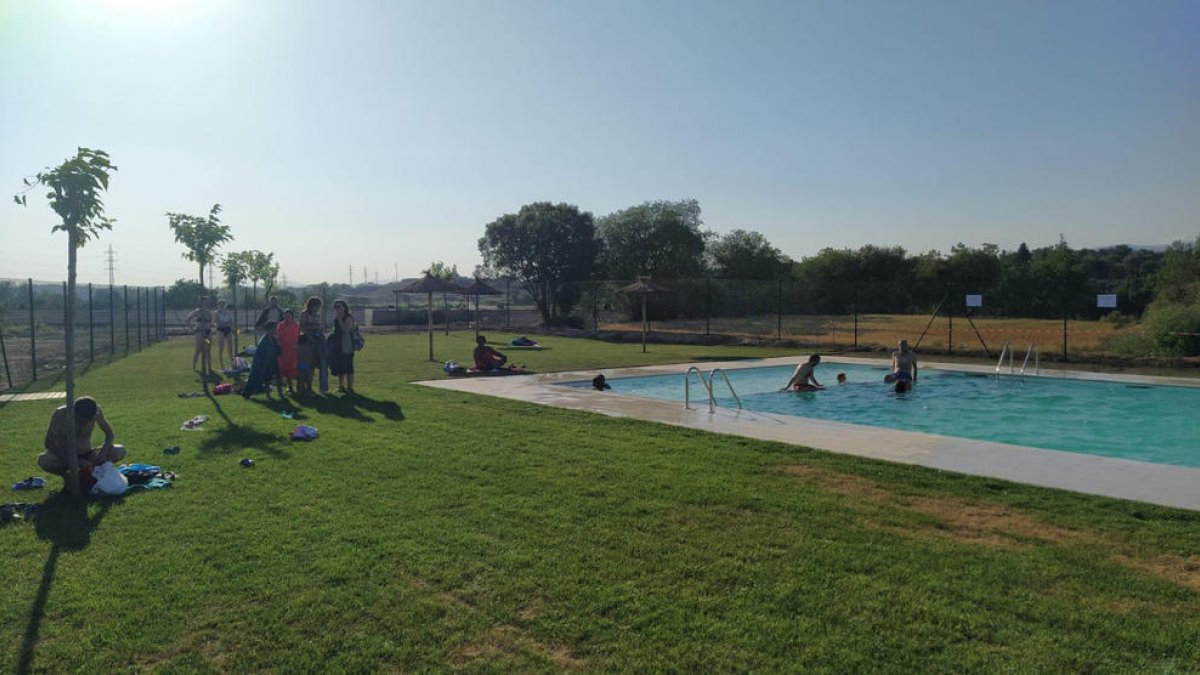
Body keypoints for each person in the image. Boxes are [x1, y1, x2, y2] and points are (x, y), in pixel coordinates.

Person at [37, 396, 126, 480]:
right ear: (75, 412)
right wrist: (71, 459)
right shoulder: (60, 414)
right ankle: (68, 478)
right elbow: (48, 443)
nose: (86, 422)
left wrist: (104, 451)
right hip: (65, 456)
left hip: (88, 454)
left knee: (120, 450)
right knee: (44, 460)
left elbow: (109, 434)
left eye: (89, 420)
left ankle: (93, 474)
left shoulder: (96, 411)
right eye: (83, 419)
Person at [242, 321, 283, 398]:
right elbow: (263, 355)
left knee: (278, 377)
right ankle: (267, 394)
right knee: (263, 378)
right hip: (265, 362)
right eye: (274, 328)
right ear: (269, 329)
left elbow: (278, 351)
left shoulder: (273, 338)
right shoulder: (264, 341)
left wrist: (279, 346)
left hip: (273, 360)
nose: (276, 329)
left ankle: (280, 394)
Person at [299, 296, 329, 393]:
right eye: (316, 306)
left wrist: (319, 330)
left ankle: (312, 386)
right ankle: (302, 386)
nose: (317, 308)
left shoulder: (318, 316)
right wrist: (310, 335)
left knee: (319, 363)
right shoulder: (304, 314)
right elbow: (302, 327)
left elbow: (321, 327)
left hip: (318, 340)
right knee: (305, 364)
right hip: (306, 341)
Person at [328, 300, 357, 394]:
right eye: (335, 307)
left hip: (347, 345)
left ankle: (350, 387)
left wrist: (340, 319)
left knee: (348, 367)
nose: (337, 309)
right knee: (340, 366)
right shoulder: (336, 318)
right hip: (337, 345)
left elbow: (345, 330)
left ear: (344, 307)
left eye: (339, 306)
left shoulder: (348, 317)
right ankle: (341, 386)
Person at [184, 296, 214, 374]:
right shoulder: (197, 311)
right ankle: (194, 366)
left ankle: (210, 367)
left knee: (208, 349)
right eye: (204, 301)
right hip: (199, 332)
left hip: (208, 332)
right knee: (199, 349)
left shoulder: (209, 312)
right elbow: (188, 319)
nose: (206, 303)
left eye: (207, 301)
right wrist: (192, 327)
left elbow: (211, 322)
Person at [277, 309, 300, 394]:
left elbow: (297, 337)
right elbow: (279, 337)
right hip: (283, 350)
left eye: (289, 316)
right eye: (285, 316)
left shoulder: (296, 326)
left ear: (292, 317)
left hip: (292, 351)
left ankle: (300, 387)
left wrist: (295, 344)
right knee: (284, 369)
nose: (287, 317)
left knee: (294, 369)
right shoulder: (280, 325)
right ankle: (289, 387)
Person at [214, 298, 235, 371]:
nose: (222, 305)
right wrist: (224, 324)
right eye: (220, 304)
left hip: (228, 329)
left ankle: (232, 364)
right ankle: (222, 365)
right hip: (220, 330)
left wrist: (226, 324)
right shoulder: (216, 313)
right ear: (218, 304)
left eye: (223, 304)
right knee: (221, 347)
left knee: (230, 348)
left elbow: (231, 322)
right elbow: (217, 322)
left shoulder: (229, 313)